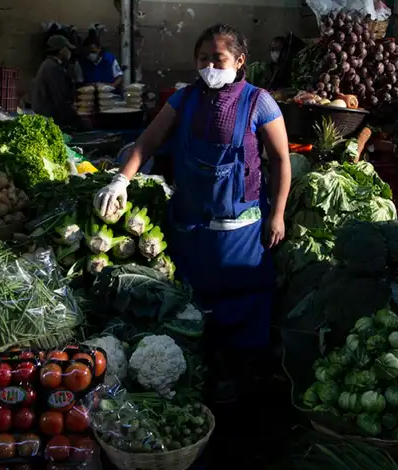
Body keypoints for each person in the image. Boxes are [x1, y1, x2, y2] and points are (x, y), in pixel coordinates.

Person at [93, 24, 291, 400]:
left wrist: (277, 214)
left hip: (241, 233)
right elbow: (148, 141)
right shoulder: (183, 101)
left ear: (239, 60)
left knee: (246, 304)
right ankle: (202, 378)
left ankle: (246, 383)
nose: (210, 66)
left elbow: (282, 160)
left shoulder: (258, 101)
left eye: (218, 58)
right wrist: (120, 180)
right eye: (203, 59)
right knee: (192, 310)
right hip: (191, 230)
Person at [24, 34, 79, 128]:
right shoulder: (53, 68)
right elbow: (59, 99)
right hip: (50, 120)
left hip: (44, 118)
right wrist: (77, 122)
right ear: (61, 50)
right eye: (67, 48)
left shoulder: (47, 65)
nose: (70, 52)